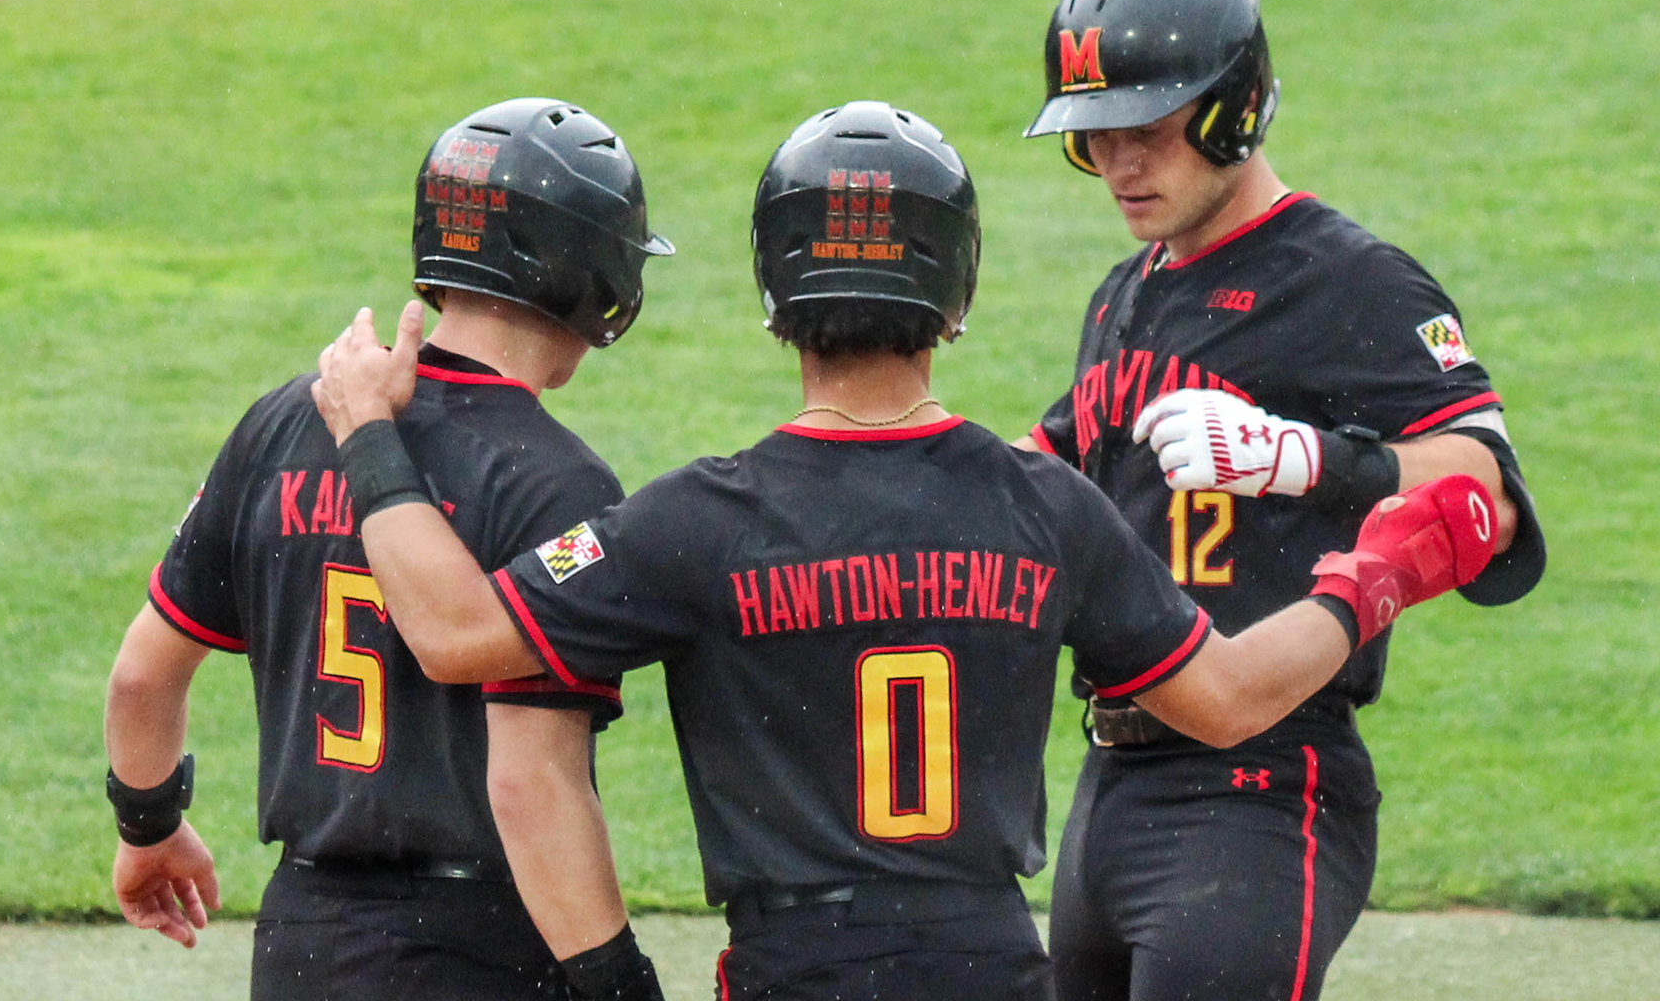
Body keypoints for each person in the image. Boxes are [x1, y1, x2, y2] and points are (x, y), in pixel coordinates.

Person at [308, 100, 1503, 1001]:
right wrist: (1375, 578)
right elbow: (1232, 699)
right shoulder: (1043, 507)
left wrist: (371, 436)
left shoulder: (692, 523)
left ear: (776, 296)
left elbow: (456, 636)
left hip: (793, 969)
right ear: (956, 293)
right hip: (988, 962)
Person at [1017, 0, 1548, 1001]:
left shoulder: (1353, 279)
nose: (1120, 167)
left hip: (1261, 788)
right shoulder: (1127, 288)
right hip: (1110, 781)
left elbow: (1483, 488)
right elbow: (1059, 476)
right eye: (1095, 142)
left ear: (1233, 108)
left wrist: (1305, 459)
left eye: (1148, 134)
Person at [102, 97, 674, 1001]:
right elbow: (533, 789)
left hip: (303, 942)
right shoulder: (557, 485)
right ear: (587, 267)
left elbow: (143, 675)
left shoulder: (286, 423)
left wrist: (149, 827)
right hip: (473, 952)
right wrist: (610, 980)